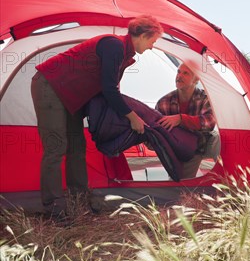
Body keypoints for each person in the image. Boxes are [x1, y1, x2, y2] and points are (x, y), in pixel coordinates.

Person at [31, 15, 164, 219]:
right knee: (56, 147)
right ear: (144, 35)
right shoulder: (114, 46)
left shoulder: (124, 54)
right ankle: (53, 208)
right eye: (153, 41)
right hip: (50, 86)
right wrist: (133, 118)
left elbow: (106, 92)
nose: (152, 47)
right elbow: (109, 90)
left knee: (77, 147)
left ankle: (79, 201)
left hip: (72, 97)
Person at [155, 63, 220, 179]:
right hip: (182, 149)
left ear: (196, 79)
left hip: (202, 143)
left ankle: (228, 180)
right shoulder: (164, 102)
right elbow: (156, 130)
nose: (179, 76)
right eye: (178, 72)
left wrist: (180, 119)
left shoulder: (204, 98)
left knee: (218, 140)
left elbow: (210, 122)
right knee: (179, 187)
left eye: (185, 73)